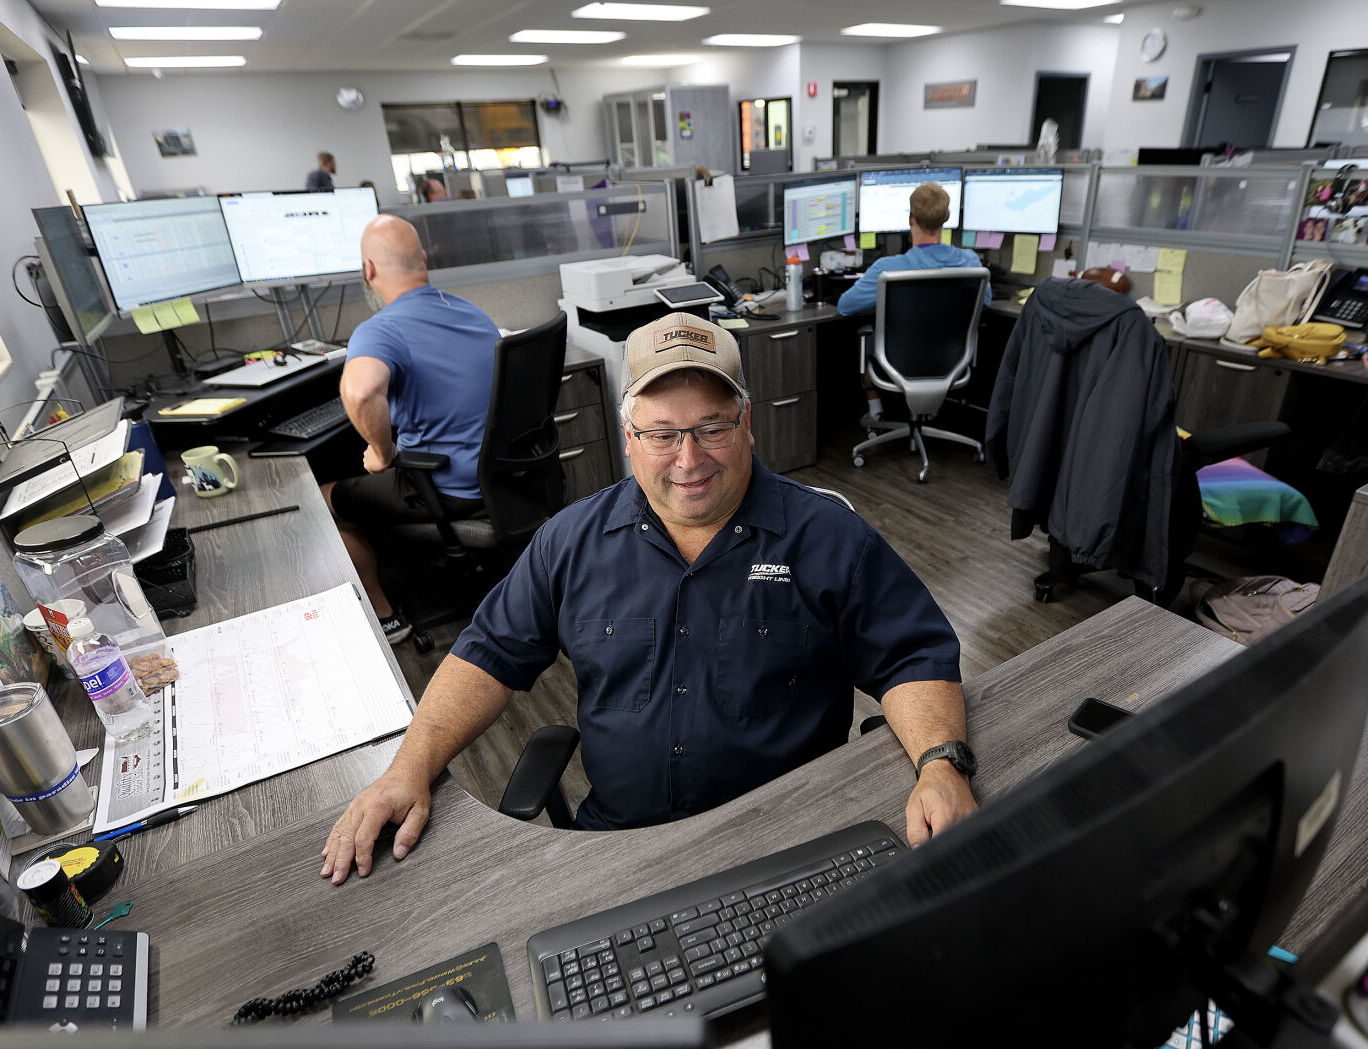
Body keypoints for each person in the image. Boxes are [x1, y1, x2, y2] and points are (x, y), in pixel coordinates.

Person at [320, 313, 979, 884]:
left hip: (785, 837)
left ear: (747, 424)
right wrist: (407, 769)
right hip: (621, 847)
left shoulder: (826, 536)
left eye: (711, 427)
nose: (688, 457)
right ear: (628, 435)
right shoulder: (571, 542)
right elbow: (488, 654)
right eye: (662, 433)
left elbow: (911, 655)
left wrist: (941, 765)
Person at [321, 215, 497, 645]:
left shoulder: (383, 328)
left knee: (321, 500)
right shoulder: (472, 313)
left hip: (442, 488)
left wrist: (381, 451)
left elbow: (361, 394)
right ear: (421, 260)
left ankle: (386, 616)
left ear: (369, 270)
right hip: (501, 479)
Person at [837, 182, 989, 423]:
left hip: (897, 360)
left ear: (911, 220)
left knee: (867, 339)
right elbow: (986, 301)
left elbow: (845, 306)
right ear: (946, 219)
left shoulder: (887, 269)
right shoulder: (970, 262)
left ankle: (876, 414)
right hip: (952, 359)